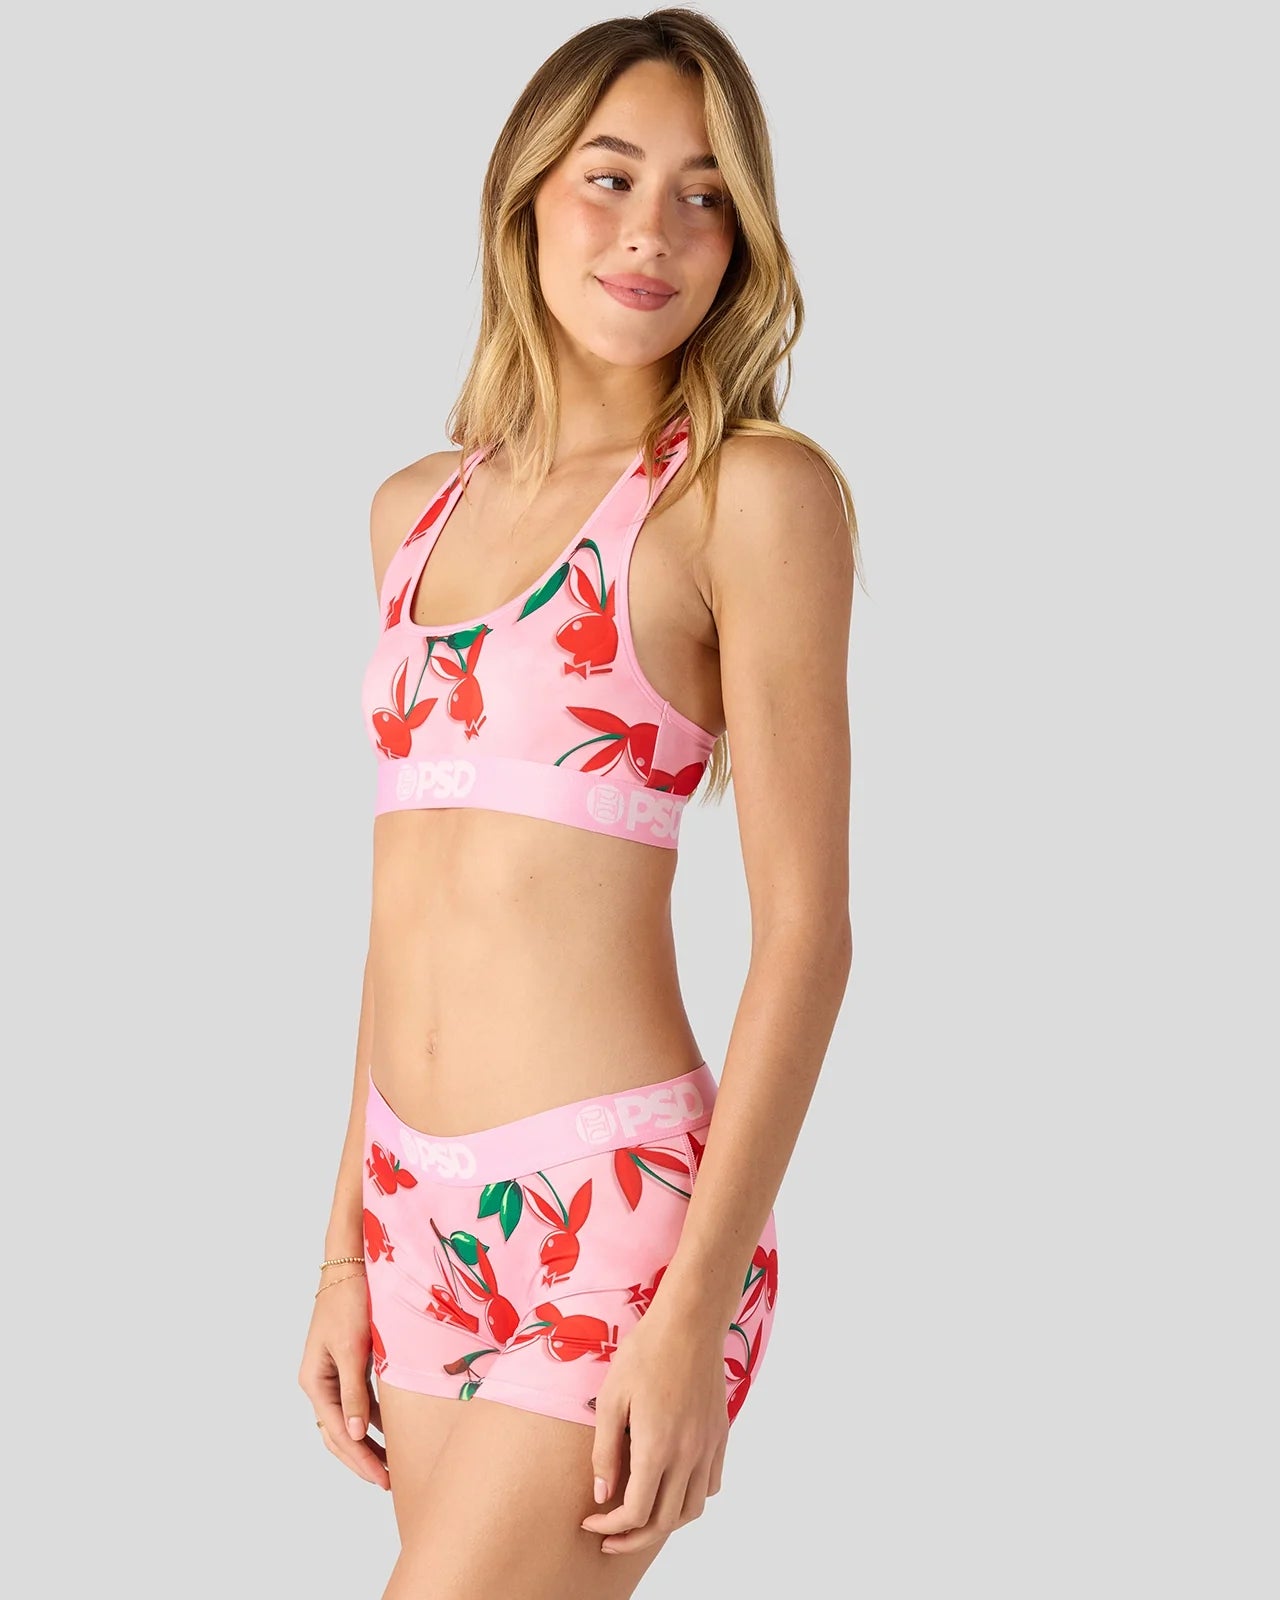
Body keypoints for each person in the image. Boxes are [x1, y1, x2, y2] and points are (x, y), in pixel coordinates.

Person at [298, 9, 859, 1595]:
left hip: (610, 1215)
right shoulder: (415, 511)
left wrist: (692, 1308)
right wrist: (342, 1248)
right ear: (526, 194)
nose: (652, 232)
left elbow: (807, 934)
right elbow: (410, 906)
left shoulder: (747, 498)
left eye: (705, 195)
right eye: (610, 177)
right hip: (409, 1210)